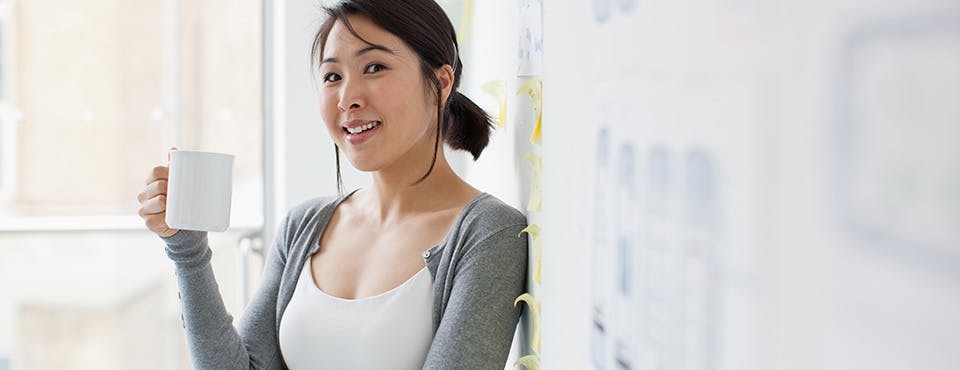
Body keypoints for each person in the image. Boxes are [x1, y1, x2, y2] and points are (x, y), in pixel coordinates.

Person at [135, 0, 529, 369]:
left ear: (441, 82)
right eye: (332, 76)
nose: (347, 98)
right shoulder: (304, 226)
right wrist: (186, 245)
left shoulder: (488, 234)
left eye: (374, 67)